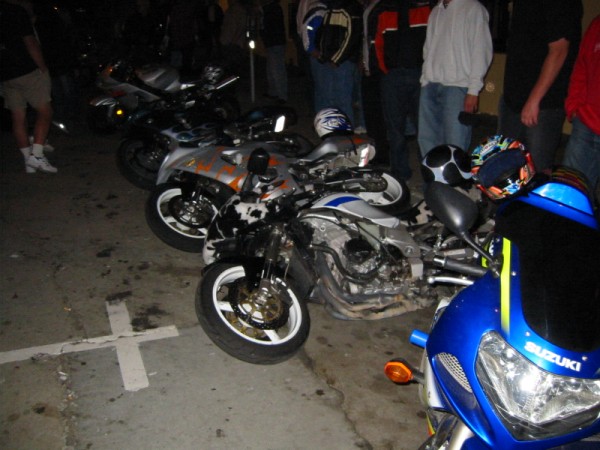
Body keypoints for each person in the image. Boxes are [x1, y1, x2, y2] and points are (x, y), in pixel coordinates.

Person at [498, 0, 583, 173]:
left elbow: (559, 51)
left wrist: (534, 100)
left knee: (536, 170)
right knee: (505, 166)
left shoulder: (560, 4)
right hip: (513, 98)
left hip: (543, 104)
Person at [364, 0, 433, 180]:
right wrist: (386, 70)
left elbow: (434, 43)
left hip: (420, 75)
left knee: (424, 129)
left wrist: (427, 71)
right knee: (395, 130)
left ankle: (429, 173)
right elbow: (377, 45)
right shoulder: (386, 11)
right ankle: (400, 173)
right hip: (393, 76)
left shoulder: (425, 9)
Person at [417, 0, 492, 159]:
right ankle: (432, 175)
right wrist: (425, 78)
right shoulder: (436, 11)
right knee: (427, 142)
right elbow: (428, 49)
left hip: (457, 87)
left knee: (454, 146)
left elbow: (481, 50)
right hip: (430, 84)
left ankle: (455, 176)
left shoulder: (473, 8)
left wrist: (473, 90)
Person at [0, 0, 56, 173]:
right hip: (26, 70)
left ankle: (28, 161)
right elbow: (30, 42)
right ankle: (37, 155)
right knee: (45, 111)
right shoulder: (15, 11)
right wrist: (42, 67)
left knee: (18, 116)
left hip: (5, 74)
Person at [562, 15, 600, 192]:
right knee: (568, 188)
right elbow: (582, 67)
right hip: (586, 121)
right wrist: (574, 106)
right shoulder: (597, 25)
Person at [260, 0, 288, 103]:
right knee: (272, 69)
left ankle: (281, 95)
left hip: (275, 42)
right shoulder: (270, 8)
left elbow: (270, 26)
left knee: (277, 69)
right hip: (272, 42)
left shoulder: (272, 8)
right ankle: (274, 92)